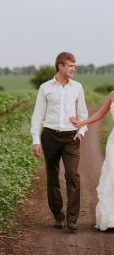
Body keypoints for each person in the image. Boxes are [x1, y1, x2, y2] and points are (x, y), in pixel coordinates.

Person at [31, 52, 88, 231]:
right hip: (50, 136)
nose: (73, 69)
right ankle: (58, 215)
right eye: (70, 66)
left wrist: (81, 131)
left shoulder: (77, 87)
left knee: (72, 175)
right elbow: (38, 115)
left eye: (74, 66)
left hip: (71, 137)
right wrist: (36, 139)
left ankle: (72, 219)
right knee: (52, 176)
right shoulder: (45, 88)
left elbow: (83, 113)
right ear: (60, 66)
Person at [70, 91, 114, 231]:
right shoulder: (112, 95)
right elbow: (100, 114)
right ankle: (110, 219)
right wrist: (81, 122)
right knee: (112, 175)